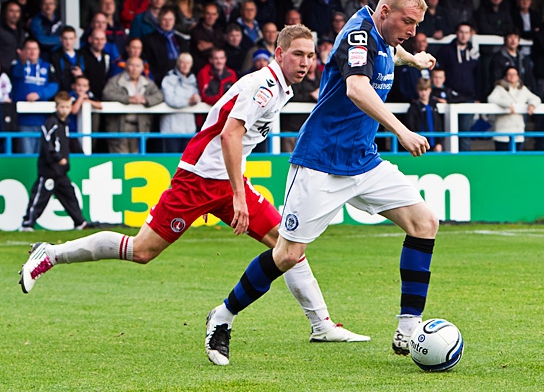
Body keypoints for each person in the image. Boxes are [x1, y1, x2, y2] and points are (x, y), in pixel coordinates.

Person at [19, 24, 369, 351]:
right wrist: (238, 196)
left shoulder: (282, 87)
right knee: (142, 250)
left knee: (287, 244)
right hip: (199, 179)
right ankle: (50, 254)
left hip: (226, 179)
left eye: (310, 56)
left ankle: (321, 324)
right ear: (279, 54)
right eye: (298, 54)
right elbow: (230, 134)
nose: (306, 62)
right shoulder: (262, 87)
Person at [203, 0, 438, 366]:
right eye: (408, 22)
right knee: (288, 253)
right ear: (384, 11)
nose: (412, 32)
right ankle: (222, 315)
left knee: (425, 222)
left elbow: (389, 52)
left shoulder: (380, 37)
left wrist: (413, 59)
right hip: (320, 163)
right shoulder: (359, 35)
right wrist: (403, 130)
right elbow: (358, 89)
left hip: (362, 160)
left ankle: (409, 326)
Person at [18, 91, 88, 232]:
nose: (65, 110)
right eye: (62, 107)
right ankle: (27, 223)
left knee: (70, 195)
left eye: (67, 107)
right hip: (49, 169)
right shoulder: (50, 124)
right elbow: (47, 145)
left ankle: (80, 222)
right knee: (40, 197)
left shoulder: (65, 125)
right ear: (56, 107)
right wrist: (57, 158)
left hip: (61, 171)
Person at [102, 57, 163, 153]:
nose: (134, 69)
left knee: (136, 160)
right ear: (126, 66)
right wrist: (128, 99)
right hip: (119, 127)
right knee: (120, 160)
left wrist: (145, 100)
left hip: (140, 127)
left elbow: (159, 96)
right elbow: (107, 94)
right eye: (132, 65)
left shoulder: (147, 83)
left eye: (138, 66)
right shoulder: (116, 81)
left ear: (142, 68)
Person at [437, 22, 481, 152]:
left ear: (470, 34)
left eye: (467, 32)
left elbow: (479, 76)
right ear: (456, 33)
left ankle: (464, 162)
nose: (463, 35)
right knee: (447, 132)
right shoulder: (446, 51)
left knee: (465, 133)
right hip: (449, 98)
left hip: (468, 98)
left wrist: (478, 97)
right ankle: (447, 161)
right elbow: (439, 74)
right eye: (461, 32)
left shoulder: (474, 52)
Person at [11, 38, 58, 154]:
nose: (32, 52)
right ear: (23, 51)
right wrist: (22, 63)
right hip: (24, 121)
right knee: (27, 155)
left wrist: (39, 94)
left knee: (42, 156)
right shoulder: (17, 65)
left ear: (39, 51)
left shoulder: (47, 66)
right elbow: (14, 78)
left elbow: (54, 86)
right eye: (28, 49)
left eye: (35, 49)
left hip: (43, 120)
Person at [487, 66, 540, 151]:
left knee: (517, 160)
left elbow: (536, 99)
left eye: (515, 74)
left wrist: (532, 105)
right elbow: (491, 98)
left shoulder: (522, 89)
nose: (512, 76)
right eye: (509, 74)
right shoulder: (500, 88)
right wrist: (507, 104)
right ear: (505, 76)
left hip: (518, 131)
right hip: (503, 132)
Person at [161, 52, 199, 153]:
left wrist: (197, 98)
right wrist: (188, 101)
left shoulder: (193, 80)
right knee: (172, 162)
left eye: (188, 63)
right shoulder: (168, 78)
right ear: (178, 63)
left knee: (186, 162)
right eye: (183, 62)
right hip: (172, 129)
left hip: (189, 129)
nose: (185, 65)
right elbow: (170, 99)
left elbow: (198, 96)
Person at [142, 7, 189, 86]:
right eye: (164, 19)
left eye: (170, 19)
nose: (168, 22)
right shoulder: (149, 39)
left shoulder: (180, 40)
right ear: (159, 20)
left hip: (180, 79)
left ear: (174, 21)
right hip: (160, 80)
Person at [404, 78, 443, 152]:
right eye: (421, 90)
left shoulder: (434, 105)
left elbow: (439, 124)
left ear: (430, 90)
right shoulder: (414, 107)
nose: (424, 93)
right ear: (417, 90)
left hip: (434, 145)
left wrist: (439, 142)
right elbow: (410, 125)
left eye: (426, 90)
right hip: (420, 145)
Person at [190, 3, 225, 74]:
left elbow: (223, 45)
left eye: (213, 14)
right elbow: (202, 49)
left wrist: (211, 44)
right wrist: (216, 44)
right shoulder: (196, 30)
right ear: (203, 14)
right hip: (201, 68)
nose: (211, 17)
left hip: (217, 68)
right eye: (208, 14)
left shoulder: (218, 29)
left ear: (217, 16)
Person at [51, 26, 84, 92]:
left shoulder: (81, 55)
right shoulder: (55, 56)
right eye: (65, 39)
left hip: (79, 93)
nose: (68, 42)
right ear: (61, 39)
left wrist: (81, 75)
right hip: (62, 94)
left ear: (75, 39)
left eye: (71, 39)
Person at [0, 0, 26, 73]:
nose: (15, 14)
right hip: (3, 70)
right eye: (11, 11)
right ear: (5, 13)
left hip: (18, 70)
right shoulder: (1, 30)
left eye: (17, 11)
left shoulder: (22, 31)